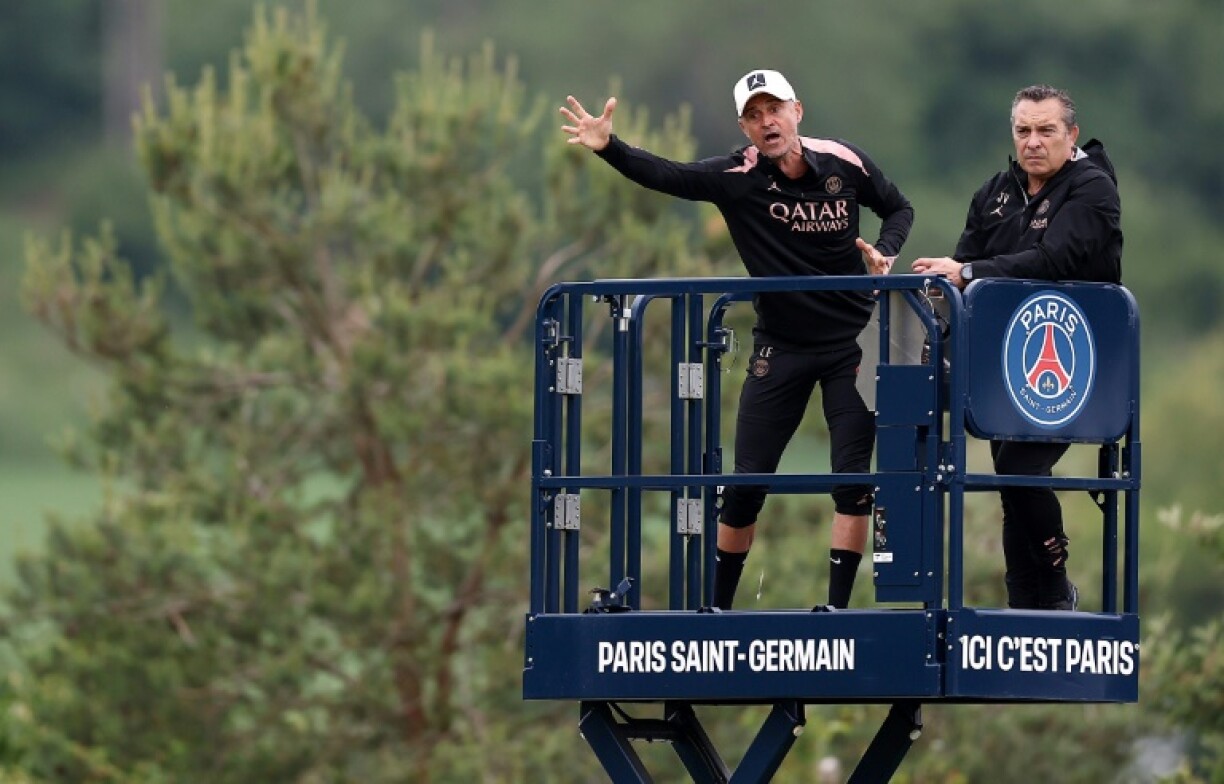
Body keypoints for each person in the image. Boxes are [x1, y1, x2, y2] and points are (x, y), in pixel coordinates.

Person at [561, 70, 914, 610]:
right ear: (744, 127)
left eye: (774, 108)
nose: (766, 121)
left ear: (798, 110)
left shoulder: (844, 161)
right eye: (754, 114)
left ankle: (836, 611)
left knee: (851, 478)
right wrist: (609, 147)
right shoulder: (737, 174)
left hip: (854, 341)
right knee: (744, 483)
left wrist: (885, 252)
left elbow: (899, 207)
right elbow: (670, 175)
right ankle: (717, 609)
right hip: (783, 343)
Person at [913, 84, 1122, 611]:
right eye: (1023, 130)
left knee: (1020, 465)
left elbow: (1054, 260)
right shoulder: (994, 194)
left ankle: (1055, 588)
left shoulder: (1093, 189)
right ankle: (1025, 598)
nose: (1033, 142)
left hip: (1082, 359)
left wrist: (968, 272)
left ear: (1070, 135)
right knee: (1010, 465)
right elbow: (961, 269)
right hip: (1005, 363)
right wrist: (937, 285)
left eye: (1046, 130)